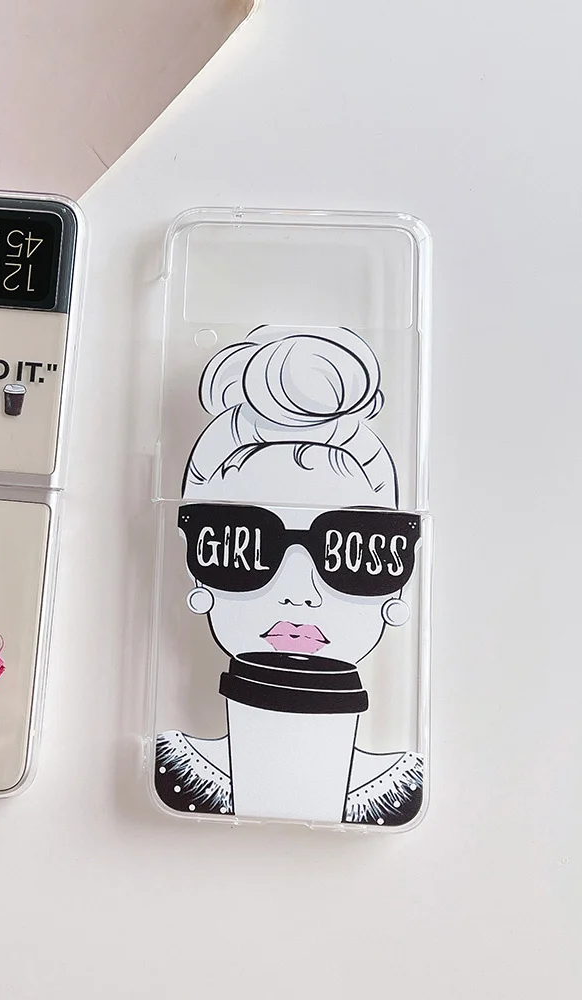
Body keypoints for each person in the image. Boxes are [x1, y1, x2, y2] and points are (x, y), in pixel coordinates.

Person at [154, 327, 424, 826]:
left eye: (347, 547)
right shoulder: (168, 772)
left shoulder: (406, 788)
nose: (299, 595)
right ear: (197, 568)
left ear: (398, 574)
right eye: (249, 544)